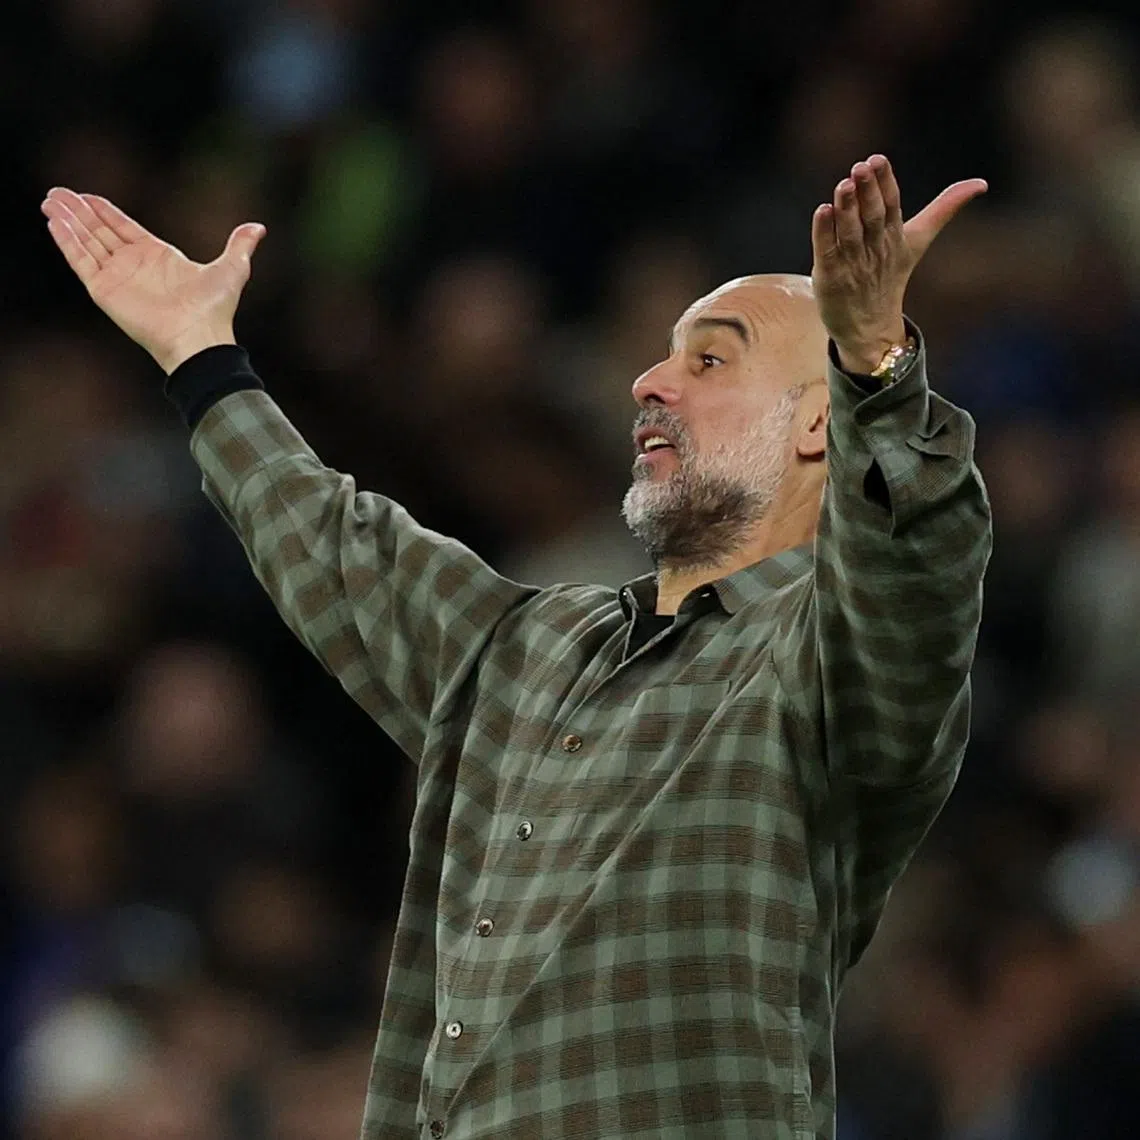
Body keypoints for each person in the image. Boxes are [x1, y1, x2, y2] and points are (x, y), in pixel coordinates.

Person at [41, 154, 991, 1139]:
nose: (649, 380)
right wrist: (201, 354)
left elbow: (917, 568)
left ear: (818, 424)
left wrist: (879, 366)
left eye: (708, 360)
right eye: (663, 355)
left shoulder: (834, 663)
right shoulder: (528, 643)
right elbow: (332, 543)